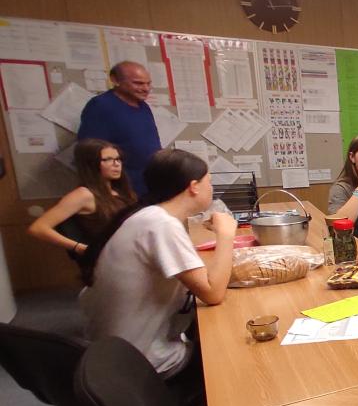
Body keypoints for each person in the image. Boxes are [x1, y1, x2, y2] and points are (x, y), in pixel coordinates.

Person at [79, 149, 236, 381]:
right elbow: (213, 293)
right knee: (231, 346)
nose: (211, 188)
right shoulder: (161, 225)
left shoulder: (148, 216)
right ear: (194, 187)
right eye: (209, 182)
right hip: (140, 362)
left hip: (112, 352)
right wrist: (226, 235)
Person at [27, 139, 137, 258]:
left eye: (118, 159)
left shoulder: (121, 190)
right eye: (108, 159)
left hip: (132, 251)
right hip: (111, 258)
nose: (116, 164)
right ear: (91, 164)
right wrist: (80, 248)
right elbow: (38, 228)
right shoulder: (84, 194)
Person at [77, 61, 161, 196]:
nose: (146, 88)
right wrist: (106, 191)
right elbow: (90, 152)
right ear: (115, 80)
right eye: (138, 83)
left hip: (148, 184)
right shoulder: (101, 106)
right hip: (122, 188)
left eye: (148, 83)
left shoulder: (143, 107)